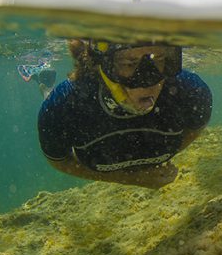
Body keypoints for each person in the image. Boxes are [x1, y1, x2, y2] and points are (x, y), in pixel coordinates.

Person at [37, 39, 212, 188]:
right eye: (129, 63)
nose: (148, 80)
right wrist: (133, 179)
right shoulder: (64, 105)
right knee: (48, 99)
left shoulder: (190, 92)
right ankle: (45, 83)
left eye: (158, 59)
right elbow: (59, 161)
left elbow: (195, 128)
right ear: (103, 65)